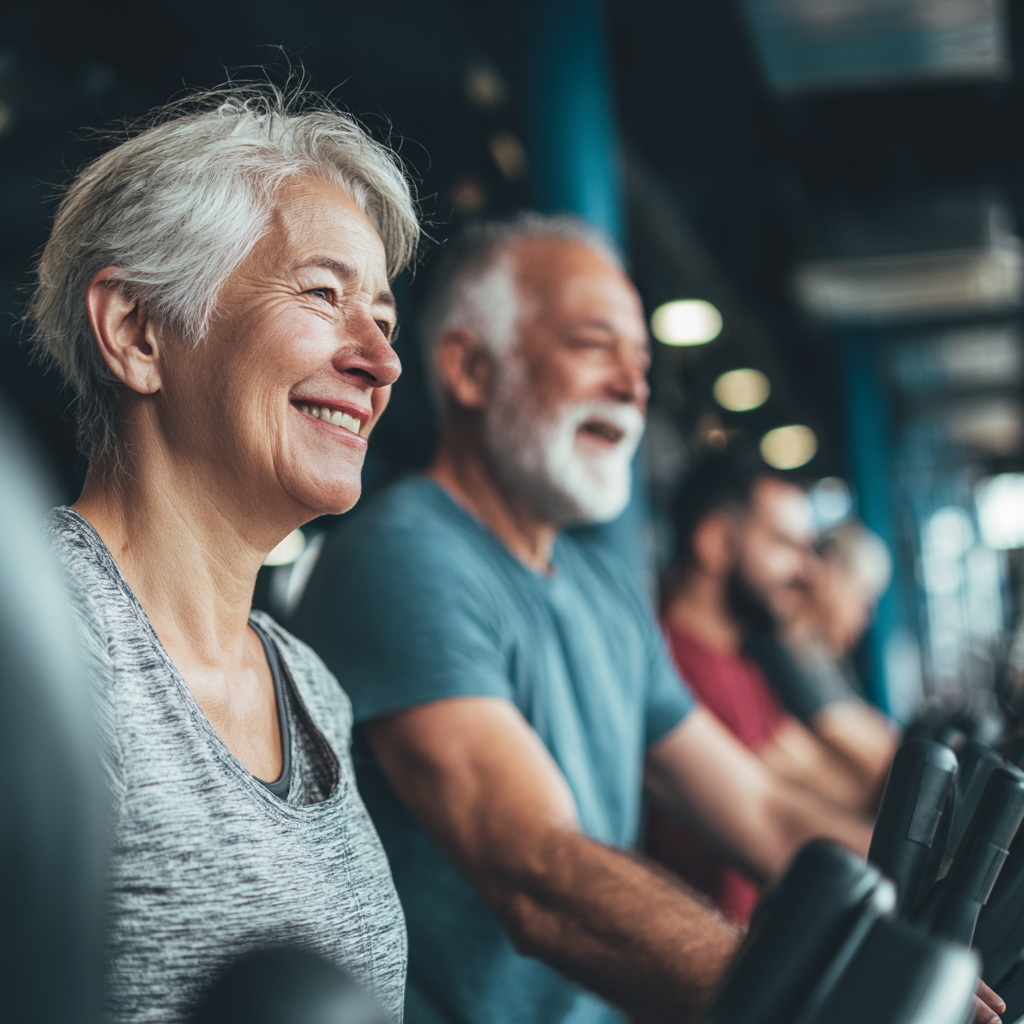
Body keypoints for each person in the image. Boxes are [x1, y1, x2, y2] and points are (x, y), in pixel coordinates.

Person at [293, 214, 875, 1024]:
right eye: (593, 346)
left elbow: (762, 813)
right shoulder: (403, 554)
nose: (632, 388)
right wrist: (805, 989)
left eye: (640, 363)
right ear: (468, 368)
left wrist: (942, 890)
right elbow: (536, 874)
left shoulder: (603, 587)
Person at [28, 84, 419, 1024]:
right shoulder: (47, 649)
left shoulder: (309, 688)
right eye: (324, 295)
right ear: (136, 331)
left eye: (388, 321)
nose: (381, 360)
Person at [648, 446, 881, 926]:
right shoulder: (671, 664)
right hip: (707, 973)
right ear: (715, 542)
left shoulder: (742, 665)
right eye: (785, 545)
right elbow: (774, 814)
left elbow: (813, 777)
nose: (808, 570)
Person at [767, 520, 900, 793]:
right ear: (833, 571)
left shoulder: (818, 651)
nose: (867, 614)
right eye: (862, 595)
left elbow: (869, 726)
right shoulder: (776, 644)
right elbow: (849, 741)